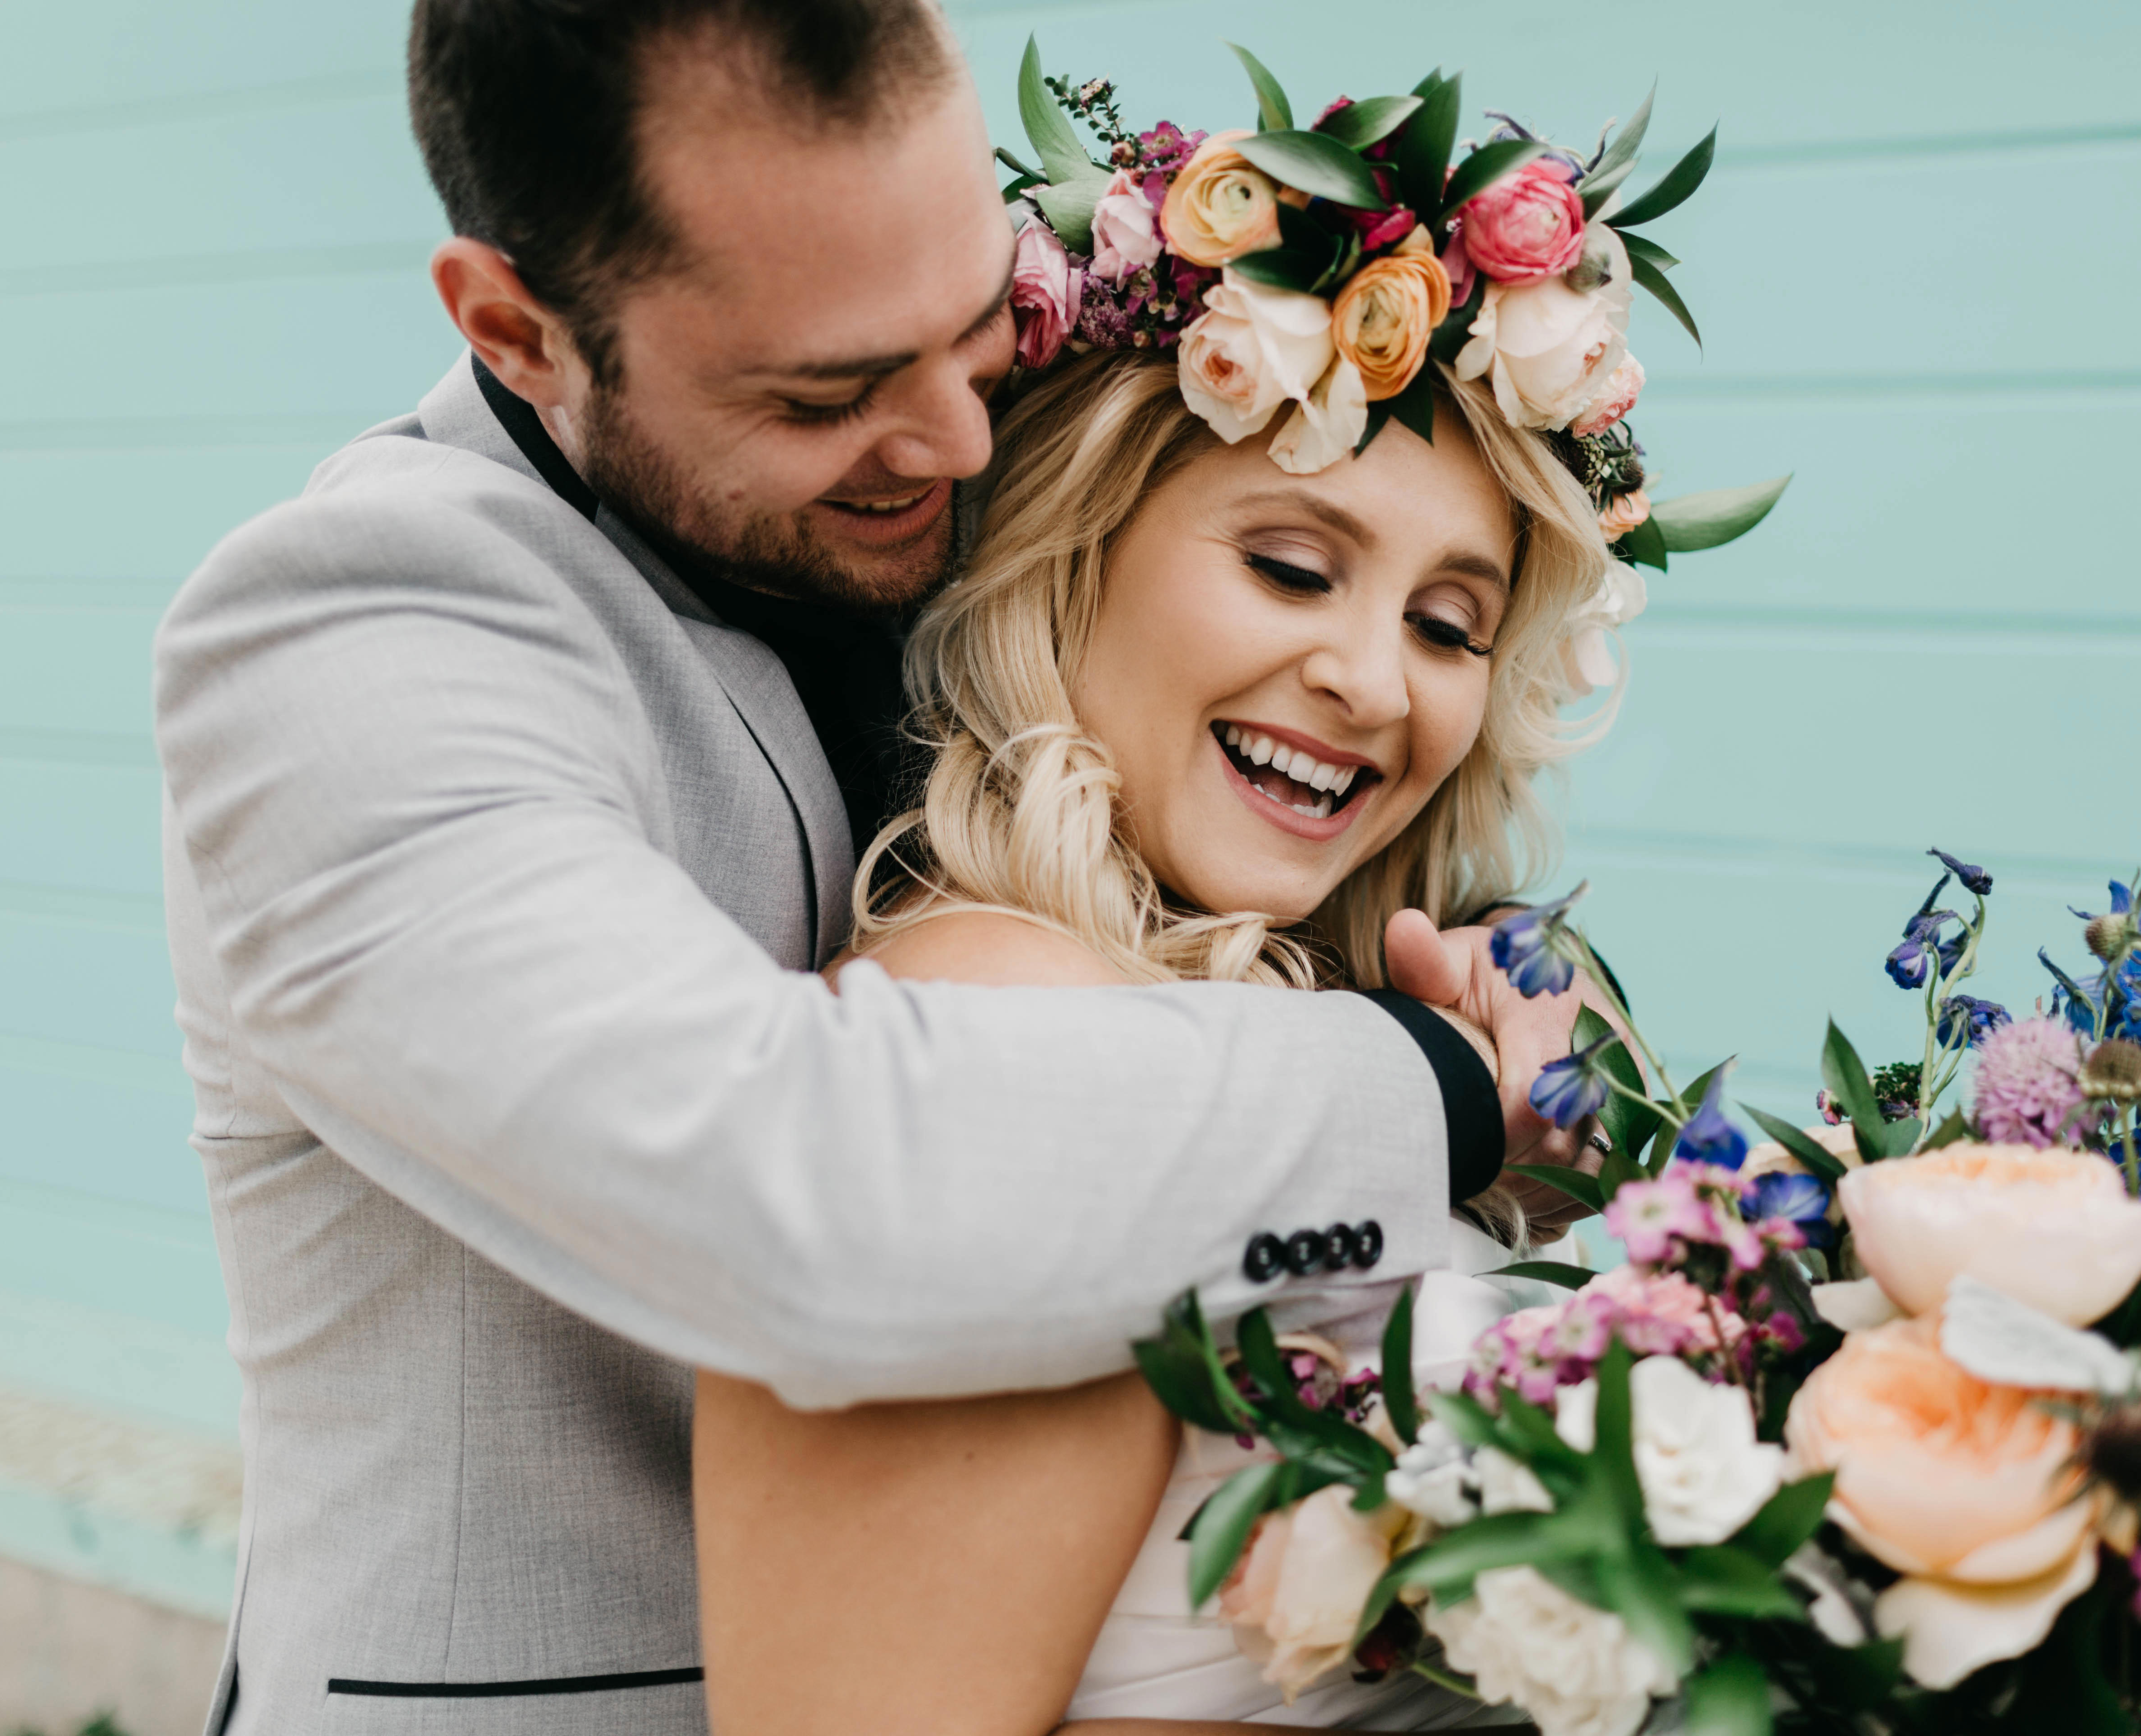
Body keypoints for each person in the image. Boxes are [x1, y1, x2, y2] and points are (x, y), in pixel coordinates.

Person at [150, 3, 1590, 1730]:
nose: (968, 451)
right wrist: (1436, 1088)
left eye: (982, 333)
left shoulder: (941, 488)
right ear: (518, 329)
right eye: (835, 391)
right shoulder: (346, 635)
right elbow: (808, 1190)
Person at [693, 339, 1623, 1730]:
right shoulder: (990, 1030)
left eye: (1447, 625)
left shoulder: (1327, 1026)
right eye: (1293, 569)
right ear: (1071, 548)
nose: (1376, 684)